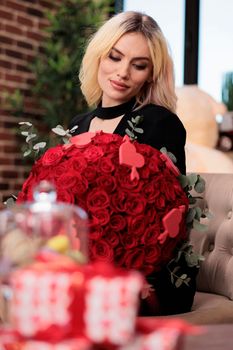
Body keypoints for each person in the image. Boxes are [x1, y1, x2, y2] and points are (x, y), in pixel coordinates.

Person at [69, 11, 197, 316]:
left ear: (151, 74)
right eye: (114, 57)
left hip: (149, 274)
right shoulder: (76, 126)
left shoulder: (159, 123)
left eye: (138, 65)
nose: (123, 72)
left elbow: (165, 215)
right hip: (89, 267)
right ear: (98, 57)